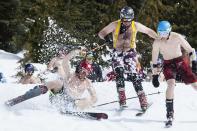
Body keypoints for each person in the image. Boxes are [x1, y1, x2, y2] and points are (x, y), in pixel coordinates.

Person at [98, 6, 158, 110]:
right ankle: (122, 99)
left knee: (134, 76)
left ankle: (143, 101)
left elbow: (149, 31)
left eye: (128, 20)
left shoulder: (136, 25)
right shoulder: (115, 24)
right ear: (121, 18)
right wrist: (107, 38)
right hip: (117, 52)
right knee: (119, 72)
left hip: (130, 52)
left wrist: (158, 37)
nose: (126, 22)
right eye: (124, 20)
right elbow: (101, 33)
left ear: (132, 18)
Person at [5, 49, 97, 112]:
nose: (84, 73)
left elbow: (94, 97)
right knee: (57, 82)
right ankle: (25, 96)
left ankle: (75, 108)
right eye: (83, 71)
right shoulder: (71, 75)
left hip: (73, 103)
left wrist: (89, 103)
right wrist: (77, 51)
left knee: (86, 100)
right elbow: (65, 61)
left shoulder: (88, 83)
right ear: (79, 69)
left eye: (87, 72)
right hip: (59, 97)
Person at [151, 20, 197, 126]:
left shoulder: (176, 37)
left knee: (195, 85)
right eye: (160, 33)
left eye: (164, 33)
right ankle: (169, 114)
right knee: (171, 85)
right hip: (168, 64)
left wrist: (194, 63)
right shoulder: (157, 42)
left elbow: (191, 50)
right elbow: (154, 59)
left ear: (169, 31)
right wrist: (154, 75)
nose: (162, 35)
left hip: (180, 62)